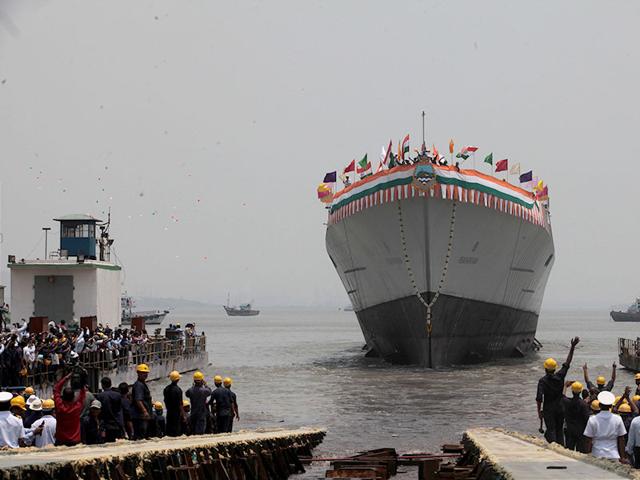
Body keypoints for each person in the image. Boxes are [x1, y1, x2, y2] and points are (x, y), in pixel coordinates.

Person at [535, 337, 580, 445]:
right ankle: (561, 448)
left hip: (548, 409)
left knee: (551, 430)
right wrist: (572, 347)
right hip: (560, 408)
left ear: (545, 369)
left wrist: (539, 412)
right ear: (555, 369)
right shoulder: (560, 376)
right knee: (559, 430)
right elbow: (567, 362)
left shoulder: (542, 381)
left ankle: (554, 450)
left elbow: (539, 399)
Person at [584, 391, 627, 462]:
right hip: (613, 454)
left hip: (597, 454)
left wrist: (588, 454)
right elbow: (621, 439)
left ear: (600, 405)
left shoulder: (592, 419)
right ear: (611, 406)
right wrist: (622, 457)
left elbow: (588, 439)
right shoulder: (618, 419)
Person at [53, 372, 87, 446]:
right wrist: (82, 381)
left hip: (61, 440)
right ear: (73, 397)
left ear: (63, 396)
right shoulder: (77, 407)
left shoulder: (60, 406)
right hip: (75, 441)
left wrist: (66, 377)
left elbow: (56, 389)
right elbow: (83, 394)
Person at [562, 381, 590, 452]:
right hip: (581, 431)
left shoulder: (567, 402)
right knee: (580, 451)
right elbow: (587, 419)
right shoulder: (584, 404)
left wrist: (565, 386)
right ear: (580, 391)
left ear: (572, 391)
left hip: (570, 430)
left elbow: (562, 396)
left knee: (569, 450)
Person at [96, 377, 124, 442]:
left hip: (105, 424)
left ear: (102, 385)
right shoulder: (118, 395)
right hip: (116, 423)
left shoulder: (100, 396)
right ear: (111, 384)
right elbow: (119, 409)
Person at [132, 363, 153, 440]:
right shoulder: (139, 385)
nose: (145, 375)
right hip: (140, 416)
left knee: (144, 434)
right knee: (141, 436)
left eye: (146, 373)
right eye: (143, 373)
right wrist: (144, 411)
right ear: (138, 373)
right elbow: (138, 400)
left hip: (142, 415)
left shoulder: (142, 384)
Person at [164, 370, 185, 437]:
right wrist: (183, 415)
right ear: (178, 379)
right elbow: (180, 404)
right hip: (176, 413)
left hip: (169, 411)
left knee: (169, 428)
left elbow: (165, 400)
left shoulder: (166, 389)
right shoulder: (178, 390)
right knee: (176, 429)